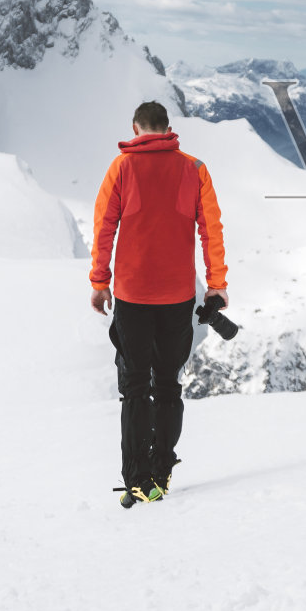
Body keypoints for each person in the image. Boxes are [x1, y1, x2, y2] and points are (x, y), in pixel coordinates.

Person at [89, 100, 227, 508]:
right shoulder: (195, 169)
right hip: (177, 297)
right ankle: (162, 474)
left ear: (135, 128)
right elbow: (211, 230)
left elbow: (104, 229)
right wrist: (216, 285)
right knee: (167, 386)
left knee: (134, 388)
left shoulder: (121, 168)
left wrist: (100, 282)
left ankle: (137, 480)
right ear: (168, 128)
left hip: (132, 296)